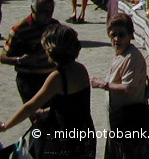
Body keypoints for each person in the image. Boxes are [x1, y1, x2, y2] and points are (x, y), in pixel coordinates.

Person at [0, 24, 96, 159]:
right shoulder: (81, 69)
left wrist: (6, 125)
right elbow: (72, 105)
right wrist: (45, 112)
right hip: (84, 133)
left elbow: (30, 107)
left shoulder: (57, 77)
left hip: (65, 139)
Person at [90, 13, 149, 159]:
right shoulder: (121, 55)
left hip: (129, 124)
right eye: (113, 35)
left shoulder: (132, 58)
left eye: (121, 35)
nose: (116, 39)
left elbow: (128, 88)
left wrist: (104, 84)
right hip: (118, 123)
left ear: (130, 35)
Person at [1, 0, 60, 102]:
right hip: (29, 79)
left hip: (50, 77)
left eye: (51, 11)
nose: (48, 15)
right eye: (43, 12)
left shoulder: (55, 26)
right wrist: (20, 60)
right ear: (33, 9)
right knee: (37, 115)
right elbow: (3, 57)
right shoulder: (19, 30)